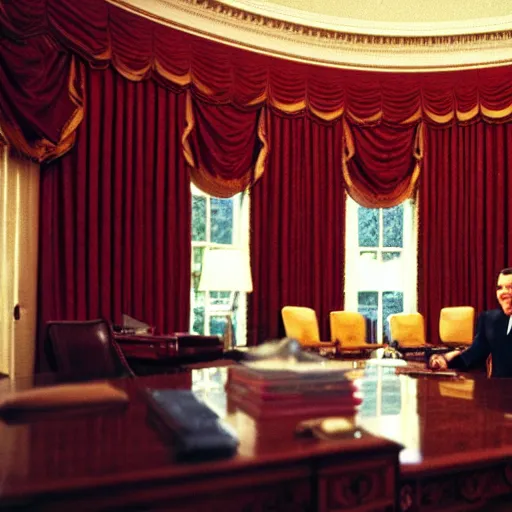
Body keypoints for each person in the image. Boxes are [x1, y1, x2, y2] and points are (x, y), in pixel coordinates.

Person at [430, 267, 512, 377]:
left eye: (510, 287)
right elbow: (473, 356)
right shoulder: (490, 320)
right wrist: (444, 360)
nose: (504, 292)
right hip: (498, 391)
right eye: (500, 288)